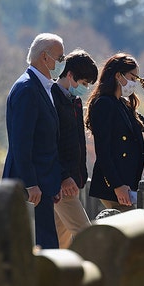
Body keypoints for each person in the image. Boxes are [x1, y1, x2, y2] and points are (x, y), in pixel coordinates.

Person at [3, 32, 65, 249]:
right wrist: (31, 183)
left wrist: (53, 183)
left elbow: (47, 141)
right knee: (36, 251)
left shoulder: (42, 86)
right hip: (30, 187)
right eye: (60, 58)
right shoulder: (27, 89)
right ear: (45, 57)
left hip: (43, 184)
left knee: (46, 249)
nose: (62, 63)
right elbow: (22, 142)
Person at [85, 52, 144, 212]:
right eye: (133, 78)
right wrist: (117, 185)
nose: (135, 83)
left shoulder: (124, 105)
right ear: (119, 76)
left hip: (128, 184)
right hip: (114, 186)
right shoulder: (104, 104)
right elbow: (103, 150)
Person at [50, 48, 98, 248]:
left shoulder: (74, 101)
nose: (85, 88)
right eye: (84, 83)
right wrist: (63, 176)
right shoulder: (52, 98)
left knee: (60, 243)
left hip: (73, 181)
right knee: (87, 236)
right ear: (70, 75)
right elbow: (50, 143)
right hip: (62, 183)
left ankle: (56, 279)